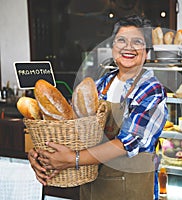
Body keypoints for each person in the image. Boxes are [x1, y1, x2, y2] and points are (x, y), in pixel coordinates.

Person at [28, 15, 168, 200]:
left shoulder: (152, 90)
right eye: (121, 40)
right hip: (92, 188)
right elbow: (70, 129)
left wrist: (73, 159)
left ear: (147, 52)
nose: (128, 47)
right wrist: (41, 155)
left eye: (137, 42)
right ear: (112, 47)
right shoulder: (98, 85)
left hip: (130, 192)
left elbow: (127, 143)